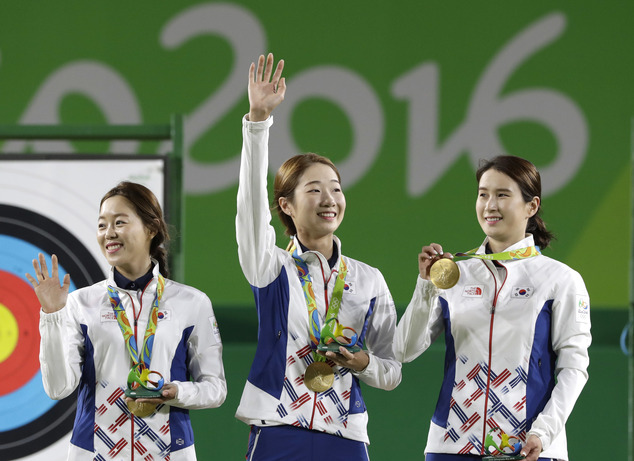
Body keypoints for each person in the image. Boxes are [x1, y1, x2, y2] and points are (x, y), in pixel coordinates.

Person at [235, 53, 402, 460]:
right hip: (278, 430)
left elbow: (391, 370)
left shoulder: (368, 279)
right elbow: (251, 208)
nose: (329, 199)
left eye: (336, 188)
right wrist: (258, 124)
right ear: (287, 206)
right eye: (313, 190)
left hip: (346, 437)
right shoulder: (270, 266)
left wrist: (363, 363)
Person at [394, 155, 591, 461]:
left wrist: (543, 432)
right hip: (451, 446)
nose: (490, 205)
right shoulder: (455, 275)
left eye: (502, 195)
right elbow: (404, 350)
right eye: (483, 194)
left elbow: (574, 368)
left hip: (529, 448)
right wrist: (426, 286)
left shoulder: (560, 279)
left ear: (532, 206)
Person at [28, 181, 227, 460]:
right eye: (101, 225)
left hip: (171, 451)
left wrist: (177, 391)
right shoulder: (80, 303)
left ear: (151, 228)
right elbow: (59, 388)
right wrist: (51, 316)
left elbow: (215, 389)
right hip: (93, 452)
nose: (109, 233)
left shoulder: (192, 303)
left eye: (119, 222)